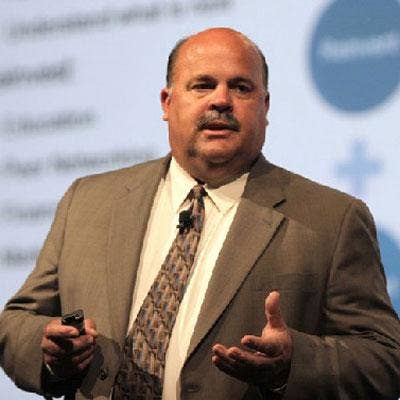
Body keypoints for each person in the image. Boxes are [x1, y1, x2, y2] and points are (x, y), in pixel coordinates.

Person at [0, 27, 399, 400]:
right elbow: (17, 322)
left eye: (240, 87)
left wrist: (294, 362)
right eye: (203, 85)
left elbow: (384, 359)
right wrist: (49, 351)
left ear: (265, 106)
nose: (221, 100)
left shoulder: (332, 219)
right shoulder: (88, 200)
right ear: (167, 102)